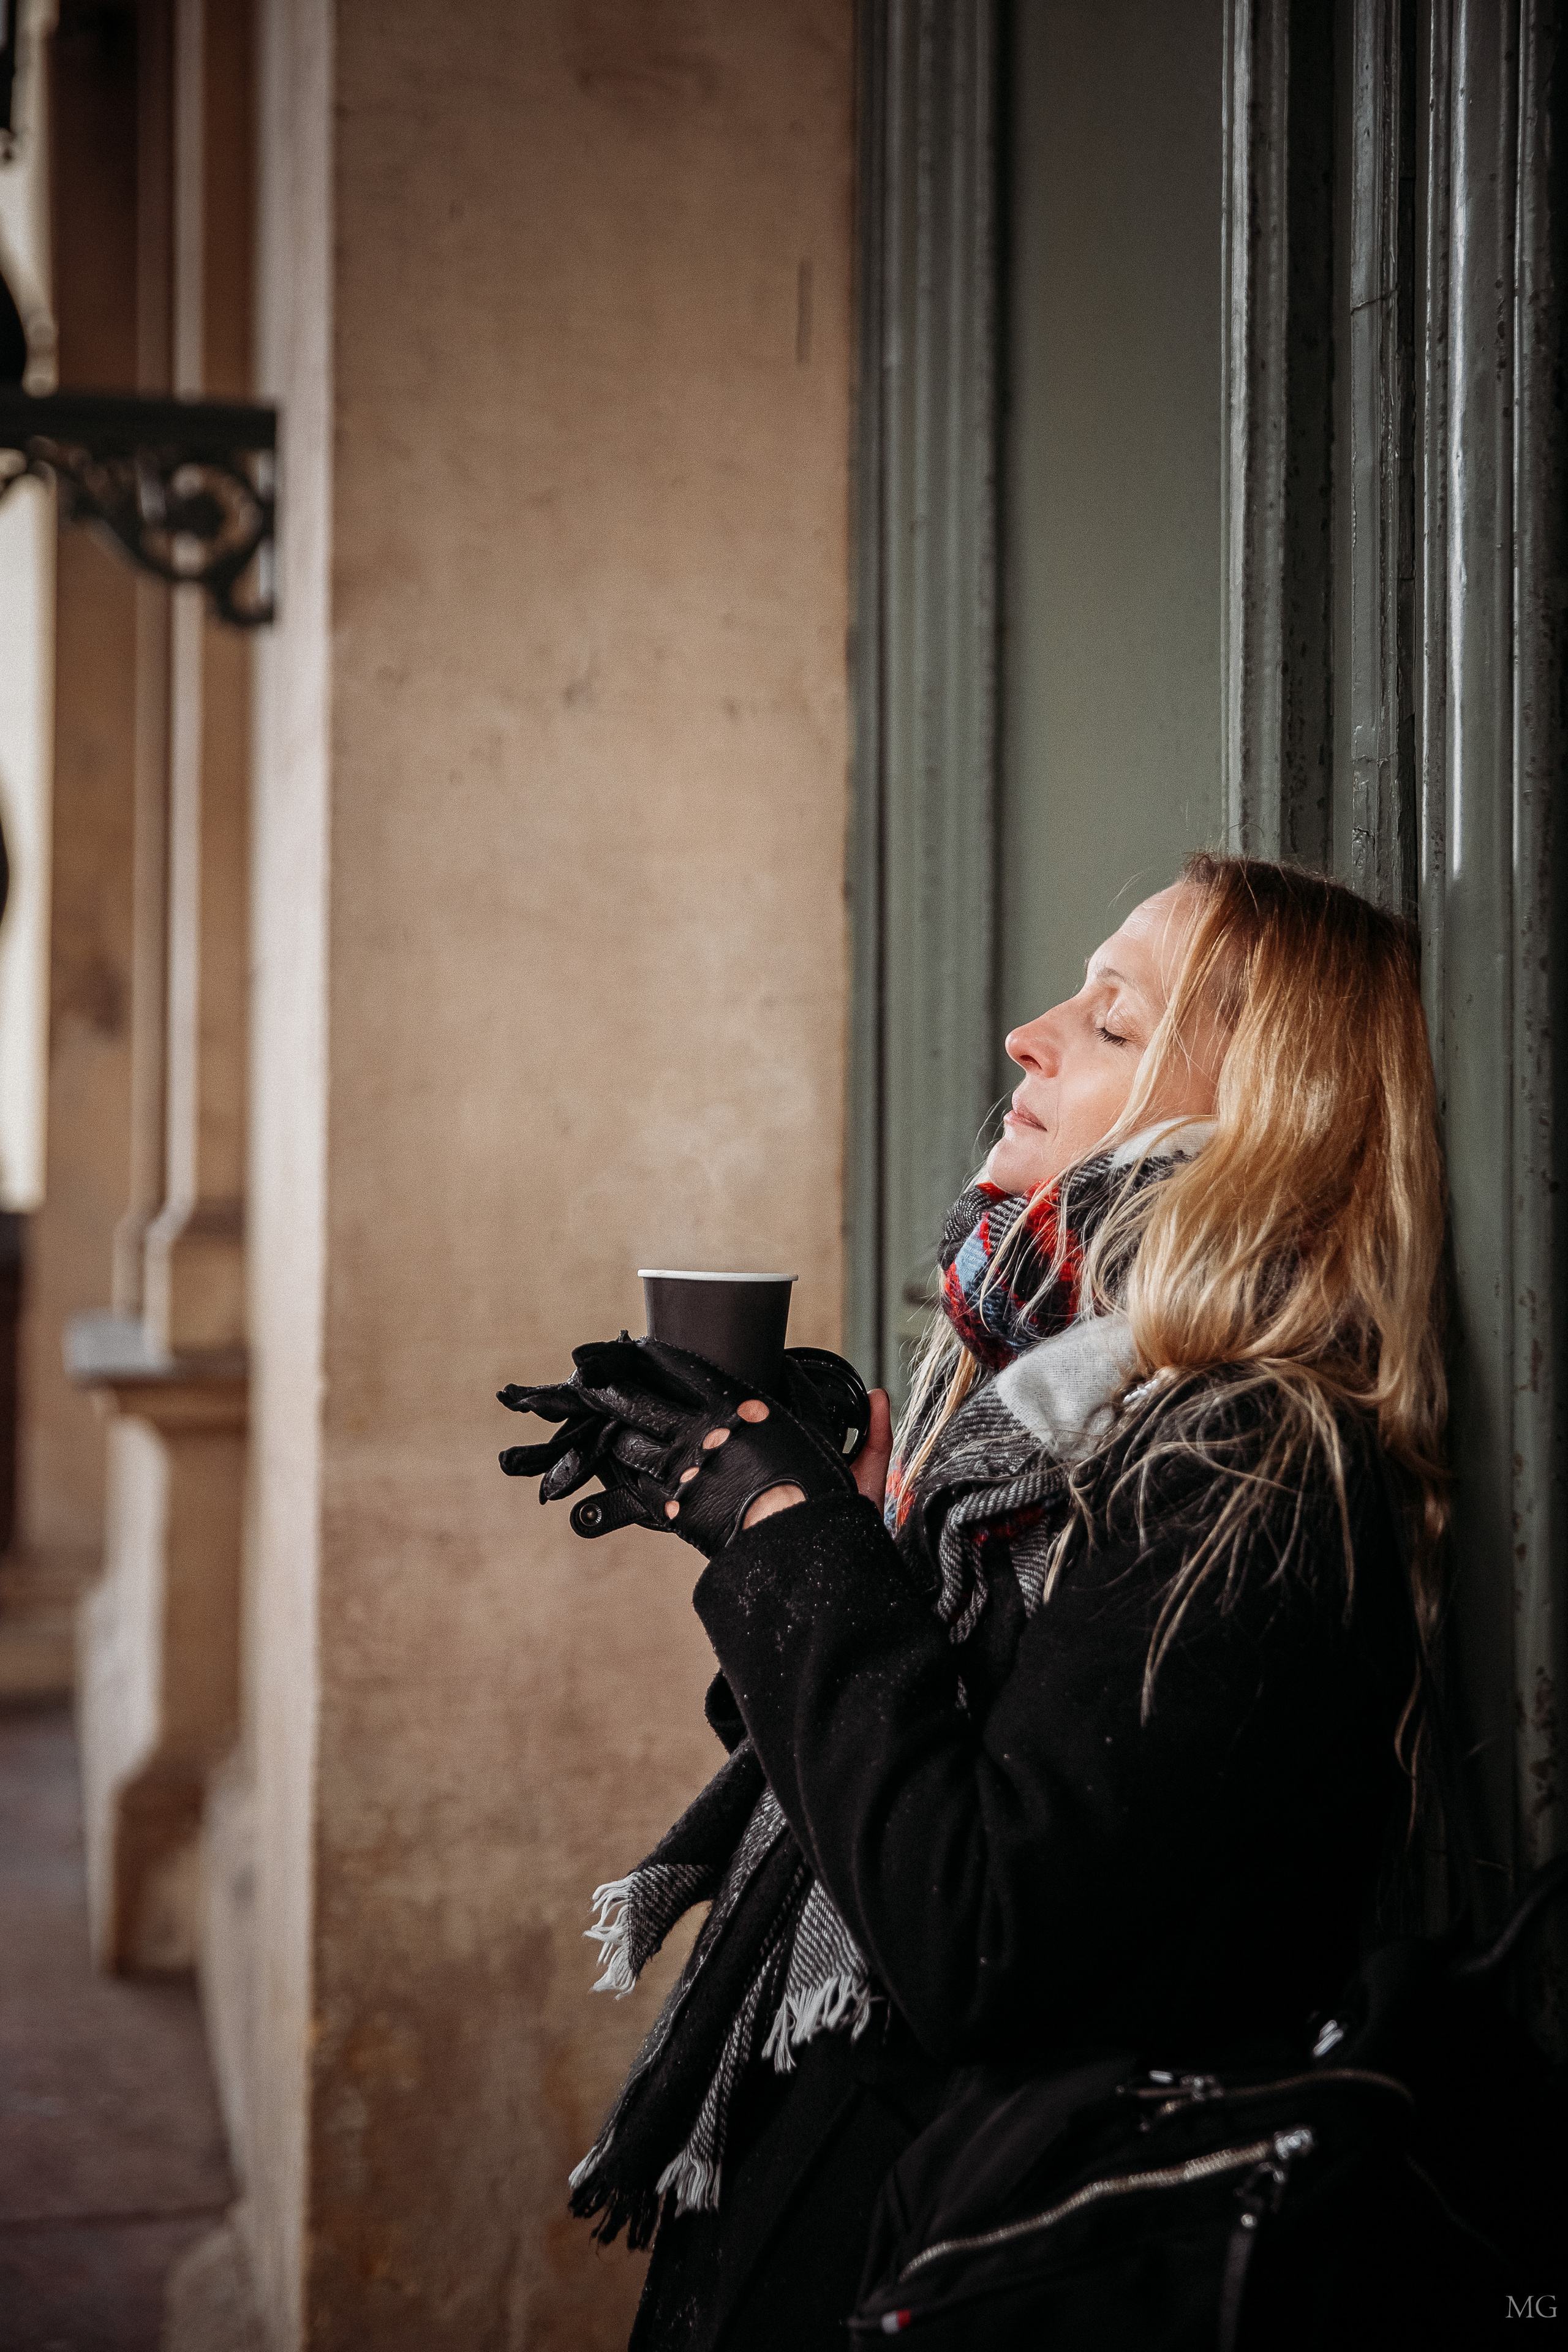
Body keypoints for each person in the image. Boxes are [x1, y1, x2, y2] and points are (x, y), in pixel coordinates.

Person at [501, 853, 1447, 2351]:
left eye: (1114, 1022)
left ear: (1266, 1123)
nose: (1029, 1035)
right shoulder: (1043, 1398)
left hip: (973, 2240)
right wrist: (834, 1532)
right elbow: (886, 1774)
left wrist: (790, 1535)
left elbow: (971, 1934)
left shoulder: (1244, 1455)